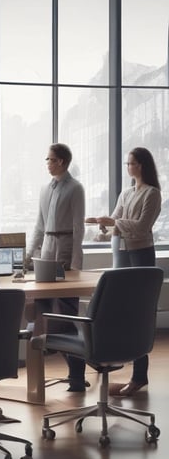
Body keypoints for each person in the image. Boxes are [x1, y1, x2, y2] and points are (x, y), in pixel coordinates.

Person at [85, 146, 162, 397]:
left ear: (140, 166)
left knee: (138, 312)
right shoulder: (126, 192)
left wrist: (112, 223)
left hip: (140, 253)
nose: (128, 167)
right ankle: (114, 364)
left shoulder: (152, 194)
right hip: (120, 251)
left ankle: (139, 376)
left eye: (130, 163)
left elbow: (141, 228)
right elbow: (116, 221)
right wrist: (101, 225)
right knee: (117, 309)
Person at [27, 143, 86, 392]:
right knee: (42, 309)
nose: (47, 163)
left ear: (61, 161)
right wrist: (30, 254)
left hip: (64, 249)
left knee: (66, 311)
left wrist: (74, 265)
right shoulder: (44, 189)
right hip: (47, 251)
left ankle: (76, 372)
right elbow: (39, 225)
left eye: (50, 159)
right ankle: (41, 367)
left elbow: (78, 227)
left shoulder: (75, 188)